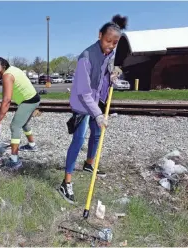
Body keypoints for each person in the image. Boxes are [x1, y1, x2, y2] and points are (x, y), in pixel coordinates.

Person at [59, 14, 128, 204]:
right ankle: (66, 183)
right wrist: (97, 114)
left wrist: (113, 73)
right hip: (83, 104)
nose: (111, 46)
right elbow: (83, 91)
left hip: (97, 99)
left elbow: (107, 68)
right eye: (108, 41)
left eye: (115, 43)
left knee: (97, 134)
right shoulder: (86, 57)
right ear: (100, 36)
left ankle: (89, 164)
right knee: (79, 139)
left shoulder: (110, 53)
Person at [0, 57, 41, 170]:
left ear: (2, 66)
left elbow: (7, 101)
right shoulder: (11, 70)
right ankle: (32, 145)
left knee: (15, 126)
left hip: (29, 101)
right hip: (32, 98)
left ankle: (14, 160)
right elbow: (6, 97)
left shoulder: (7, 76)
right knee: (22, 122)